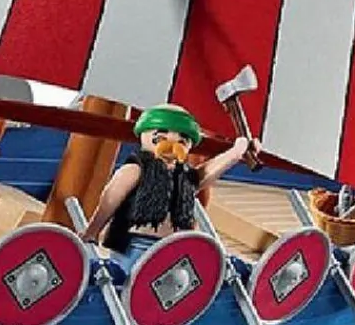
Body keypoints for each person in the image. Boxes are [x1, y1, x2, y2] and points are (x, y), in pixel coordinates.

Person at [80, 103, 256, 270]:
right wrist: (93, 231)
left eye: (182, 142)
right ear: (144, 136)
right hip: (136, 245)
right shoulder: (135, 169)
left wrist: (236, 152)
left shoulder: (185, 176)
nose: (171, 146)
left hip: (175, 247)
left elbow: (207, 172)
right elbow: (110, 200)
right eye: (160, 138)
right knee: (129, 281)